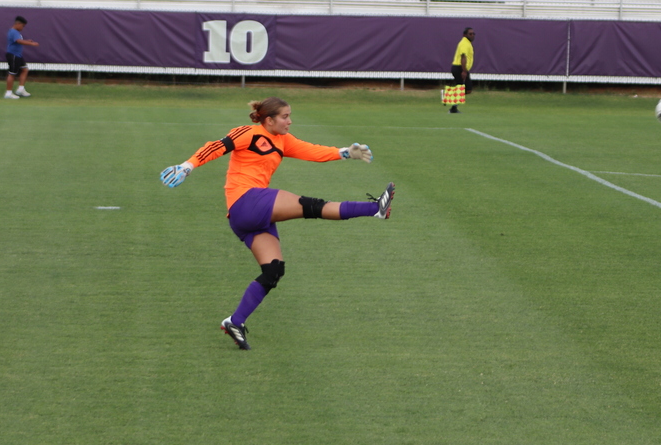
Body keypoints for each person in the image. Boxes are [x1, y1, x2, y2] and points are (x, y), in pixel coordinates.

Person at [160, 97, 395, 351]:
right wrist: (188, 165)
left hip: (250, 216)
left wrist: (346, 153)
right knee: (311, 206)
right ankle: (374, 209)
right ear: (269, 119)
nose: (290, 121)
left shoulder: (283, 140)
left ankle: (235, 321)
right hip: (246, 201)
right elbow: (216, 146)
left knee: (273, 271)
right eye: (285, 116)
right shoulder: (248, 133)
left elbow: (313, 151)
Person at [4, 16, 39, 99]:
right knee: (12, 74)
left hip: (18, 55)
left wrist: (27, 41)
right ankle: (8, 93)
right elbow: (18, 41)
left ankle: (20, 89)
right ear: (18, 24)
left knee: (24, 69)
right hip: (13, 55)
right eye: (22, 26)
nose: (23, 28)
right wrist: (31, 44)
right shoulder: (14, 31)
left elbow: (18, 41)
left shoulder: (14, 32)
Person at [443, 27, 475, 114]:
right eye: (470, 34)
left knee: (464, 89)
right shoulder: (464, 43)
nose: (472, 35)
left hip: (460, 68)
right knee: (466, 89)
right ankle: (449, 98)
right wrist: (464, 71)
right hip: (459, 68)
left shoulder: (467, 43)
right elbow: (463, 57)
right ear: (465, 35)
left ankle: (452, 105)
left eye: (473, 34)